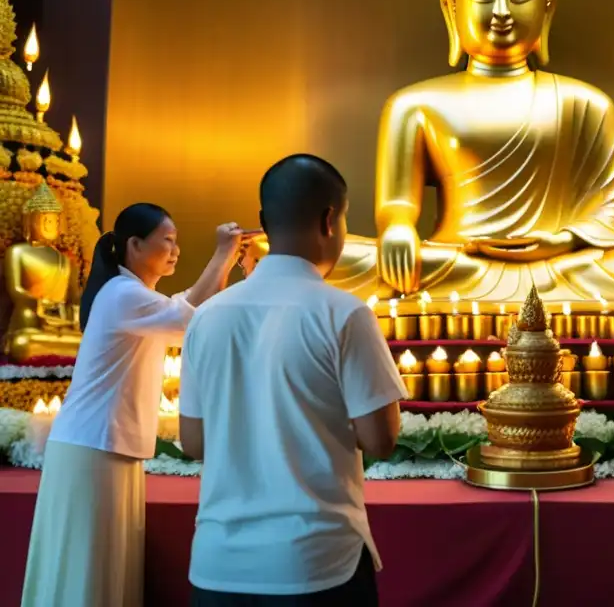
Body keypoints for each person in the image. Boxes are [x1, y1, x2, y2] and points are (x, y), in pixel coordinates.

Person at [179, 154, 406, 606]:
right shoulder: (344, 312)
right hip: (314, 562)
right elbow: (380, 439)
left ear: (263, 222)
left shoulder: (205, 317)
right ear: (330, 221)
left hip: (219, 563)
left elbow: (193, 443)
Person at [21, 204, 246, 607]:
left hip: (106, 447)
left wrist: (226, 263)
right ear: (135, 245)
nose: (175, 249)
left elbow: (193, 314)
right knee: (88, 567)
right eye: (168, 240)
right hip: (92, 447)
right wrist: (222, 255)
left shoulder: (137, 297)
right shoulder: (123, 295)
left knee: (108, 564)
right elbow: (192, 314)